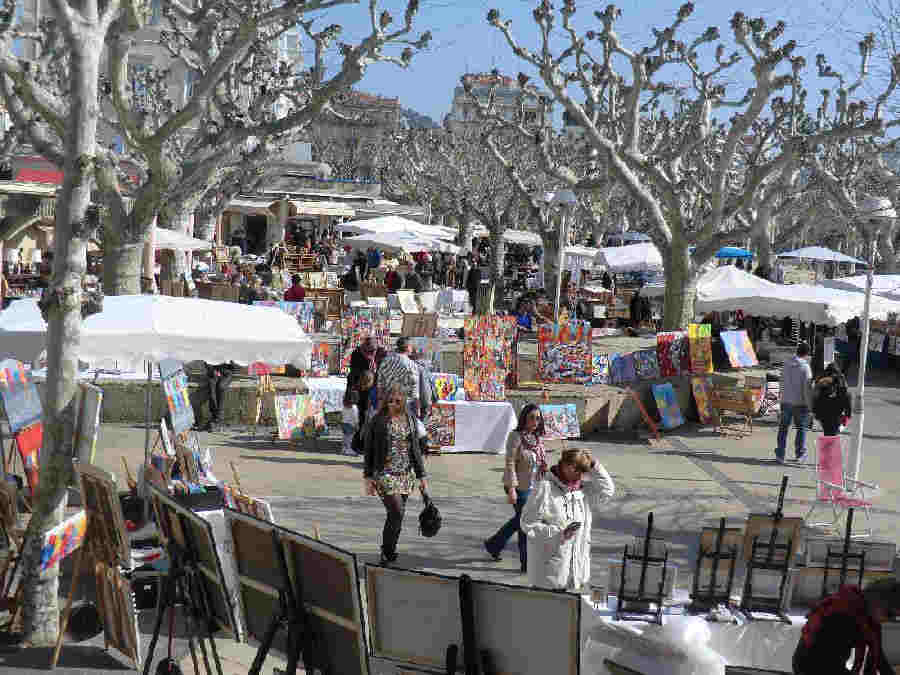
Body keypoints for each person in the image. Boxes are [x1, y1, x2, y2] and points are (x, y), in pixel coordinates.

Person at [520, 448, 615, 591]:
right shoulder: (545, 488)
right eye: (577, 471)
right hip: (549, 572)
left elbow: (607, 490)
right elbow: (527, 523)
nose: (580, 475)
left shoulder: (583, 491)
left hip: (575, 572)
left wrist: (594, 465)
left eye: (583, 471)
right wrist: (559, 533)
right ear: (566, 466)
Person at [362, 386, 428, 565]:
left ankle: (389, 550)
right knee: (397, 511)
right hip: (385, 473)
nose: (392, 404)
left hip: (405, 474)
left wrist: (422, 476)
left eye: (397, 401)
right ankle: (387, 550)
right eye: (389, 400)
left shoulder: (410, 420)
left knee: (397, 515)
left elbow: (415, 450)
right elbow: (369, 450)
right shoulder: (378, 420)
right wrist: (368, 477)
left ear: (403, 402)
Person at [484, 404, 548, 573]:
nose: (535, 421)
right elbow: (510, 463)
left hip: (534, 486)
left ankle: (494, 545)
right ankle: (526, 563)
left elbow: (540, 461)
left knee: (520, 521)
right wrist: (512, 489)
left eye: (538, 418)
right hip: (518, 486)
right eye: (532, 417)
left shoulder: (536, 438)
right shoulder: (515, 436)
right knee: (525, 524)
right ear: (524, 418)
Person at [793, 579, 900, 675]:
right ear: (877, 600)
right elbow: (827, 662)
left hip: (830, 664)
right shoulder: (843, 614)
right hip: (810, 665)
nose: (887, 620)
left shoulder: (868, 617)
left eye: (894, 617)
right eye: (889, 614)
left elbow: (878, 657)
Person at [776, 342, 813, 464]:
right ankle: (799, 454)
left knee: (783, 428)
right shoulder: (805, 368)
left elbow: (781, 382)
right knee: (801, 428)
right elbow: (807, 389)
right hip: (800, 402)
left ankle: (780, 454)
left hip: (786, 401)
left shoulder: (786, 364)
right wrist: (810, 406)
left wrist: (781, 397)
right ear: (807, 354)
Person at [377, 337, 421, 418]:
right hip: (403, 405)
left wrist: (380, 402)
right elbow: (414, 388)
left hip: (387, 403)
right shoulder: (411, 365)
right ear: (407, 347)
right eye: (411, 346)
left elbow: (380, 384)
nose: (412, 349)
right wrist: (417, 408)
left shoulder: (385, 361)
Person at [813, 363, 852, 436]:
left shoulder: (821, 378)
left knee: (827, 432)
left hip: (823, 411)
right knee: (834, 433)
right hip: (837, 412)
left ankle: (828, 441)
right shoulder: (840, 378)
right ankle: (831, 441)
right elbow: (846, 395)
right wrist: (848, 413)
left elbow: (815, 396)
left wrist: (815, 413)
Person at [349, 337, 377, 427]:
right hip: (361, 385)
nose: (372, 352)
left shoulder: (375, 354)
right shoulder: (357, 354)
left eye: (374, 350)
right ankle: (361, 428)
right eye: (371, 350)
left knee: (370, 410)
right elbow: (353, 370)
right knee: (361, 410)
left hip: (371, 386)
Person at [204, 362, 236, 431]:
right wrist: (213, 370)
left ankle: (218, 418)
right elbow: (206, 361)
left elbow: (234, 365)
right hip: (213, 372)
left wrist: (225, 369)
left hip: (226, 372)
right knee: (211, 389)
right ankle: (215, 417)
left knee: (221, 386)